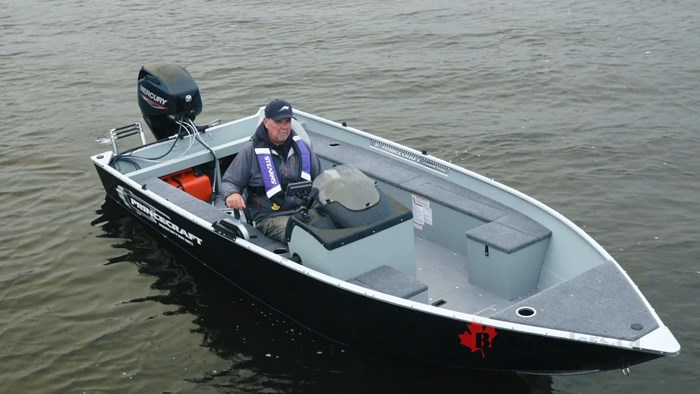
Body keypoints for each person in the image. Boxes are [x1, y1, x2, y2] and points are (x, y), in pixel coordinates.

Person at [221, 99, 322, 242]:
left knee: (338, 218)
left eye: (287, 121)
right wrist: (232, 194)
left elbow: (321, 179)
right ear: (266, 122)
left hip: (304, 208)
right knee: (303, 237)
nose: (284, 127)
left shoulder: (302, 148)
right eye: (279, 122)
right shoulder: (250, 152)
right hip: (271, 216)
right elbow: (229, 182)